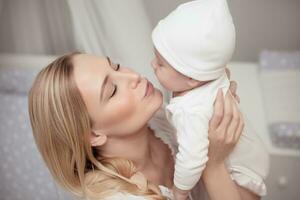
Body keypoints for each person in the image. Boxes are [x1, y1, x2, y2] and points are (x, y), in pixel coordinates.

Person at [29, 52, 256, 200]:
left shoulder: (160, 122)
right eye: (113, 90)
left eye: (116, 66)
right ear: (93, 134)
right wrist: (212, 165)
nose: (132, 77)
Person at [151, 0, 269, 199]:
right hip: (254, 150)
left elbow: (192, 159)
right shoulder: (212, 74)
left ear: (191, 78)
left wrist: (179, 191)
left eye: (161, 64)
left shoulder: (190, 111)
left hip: (241, 170)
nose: (152, 64)